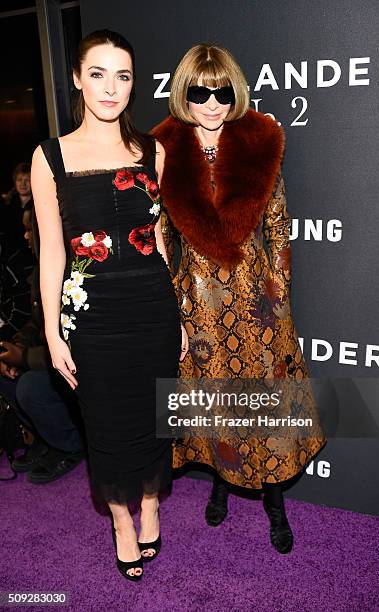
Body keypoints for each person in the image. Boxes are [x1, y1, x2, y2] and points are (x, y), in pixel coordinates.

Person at [153, 43, 326, 553]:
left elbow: (278, 228)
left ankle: (275, 503)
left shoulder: (260, 142)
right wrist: (173, 306)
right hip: (198, 302)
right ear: (183, 92)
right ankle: (222, 485)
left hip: (256, 298)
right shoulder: (161, 151)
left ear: (235, 92)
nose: (211, 102)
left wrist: (279, 303)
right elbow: (160, 237)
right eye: (200, 91)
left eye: (222, 91)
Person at [31, 30, 186, 581]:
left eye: (122, 76)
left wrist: (179, 313)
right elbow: (52, 250)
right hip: (91, 318)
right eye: (97, 73)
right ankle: (121, 518)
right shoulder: (50, 156)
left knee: (151, 420)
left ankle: (150, 504)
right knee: (107, 426)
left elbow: (159, 235)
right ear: (77, 77)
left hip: (152, 309)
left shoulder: (153, 151)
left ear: (133, 84)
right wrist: (51, 331)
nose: (110, 87)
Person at [0, 202, 84, 483]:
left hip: (78, 366)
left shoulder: (75, 272)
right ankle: (46, 440)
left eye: (29, 230)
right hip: (47, 356)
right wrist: (13, 348)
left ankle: (71, 446)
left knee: (30, 386)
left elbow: (73, 347)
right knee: (5, 377)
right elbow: (36, 324)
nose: (25, 237)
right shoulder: (40, 272)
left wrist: (22, 358)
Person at [0, 163, 35, 338]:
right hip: (11, 257)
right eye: (20, 180)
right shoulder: (7, 205)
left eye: (27, 180)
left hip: (30, 257)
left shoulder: (37, 205)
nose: (23, 184)